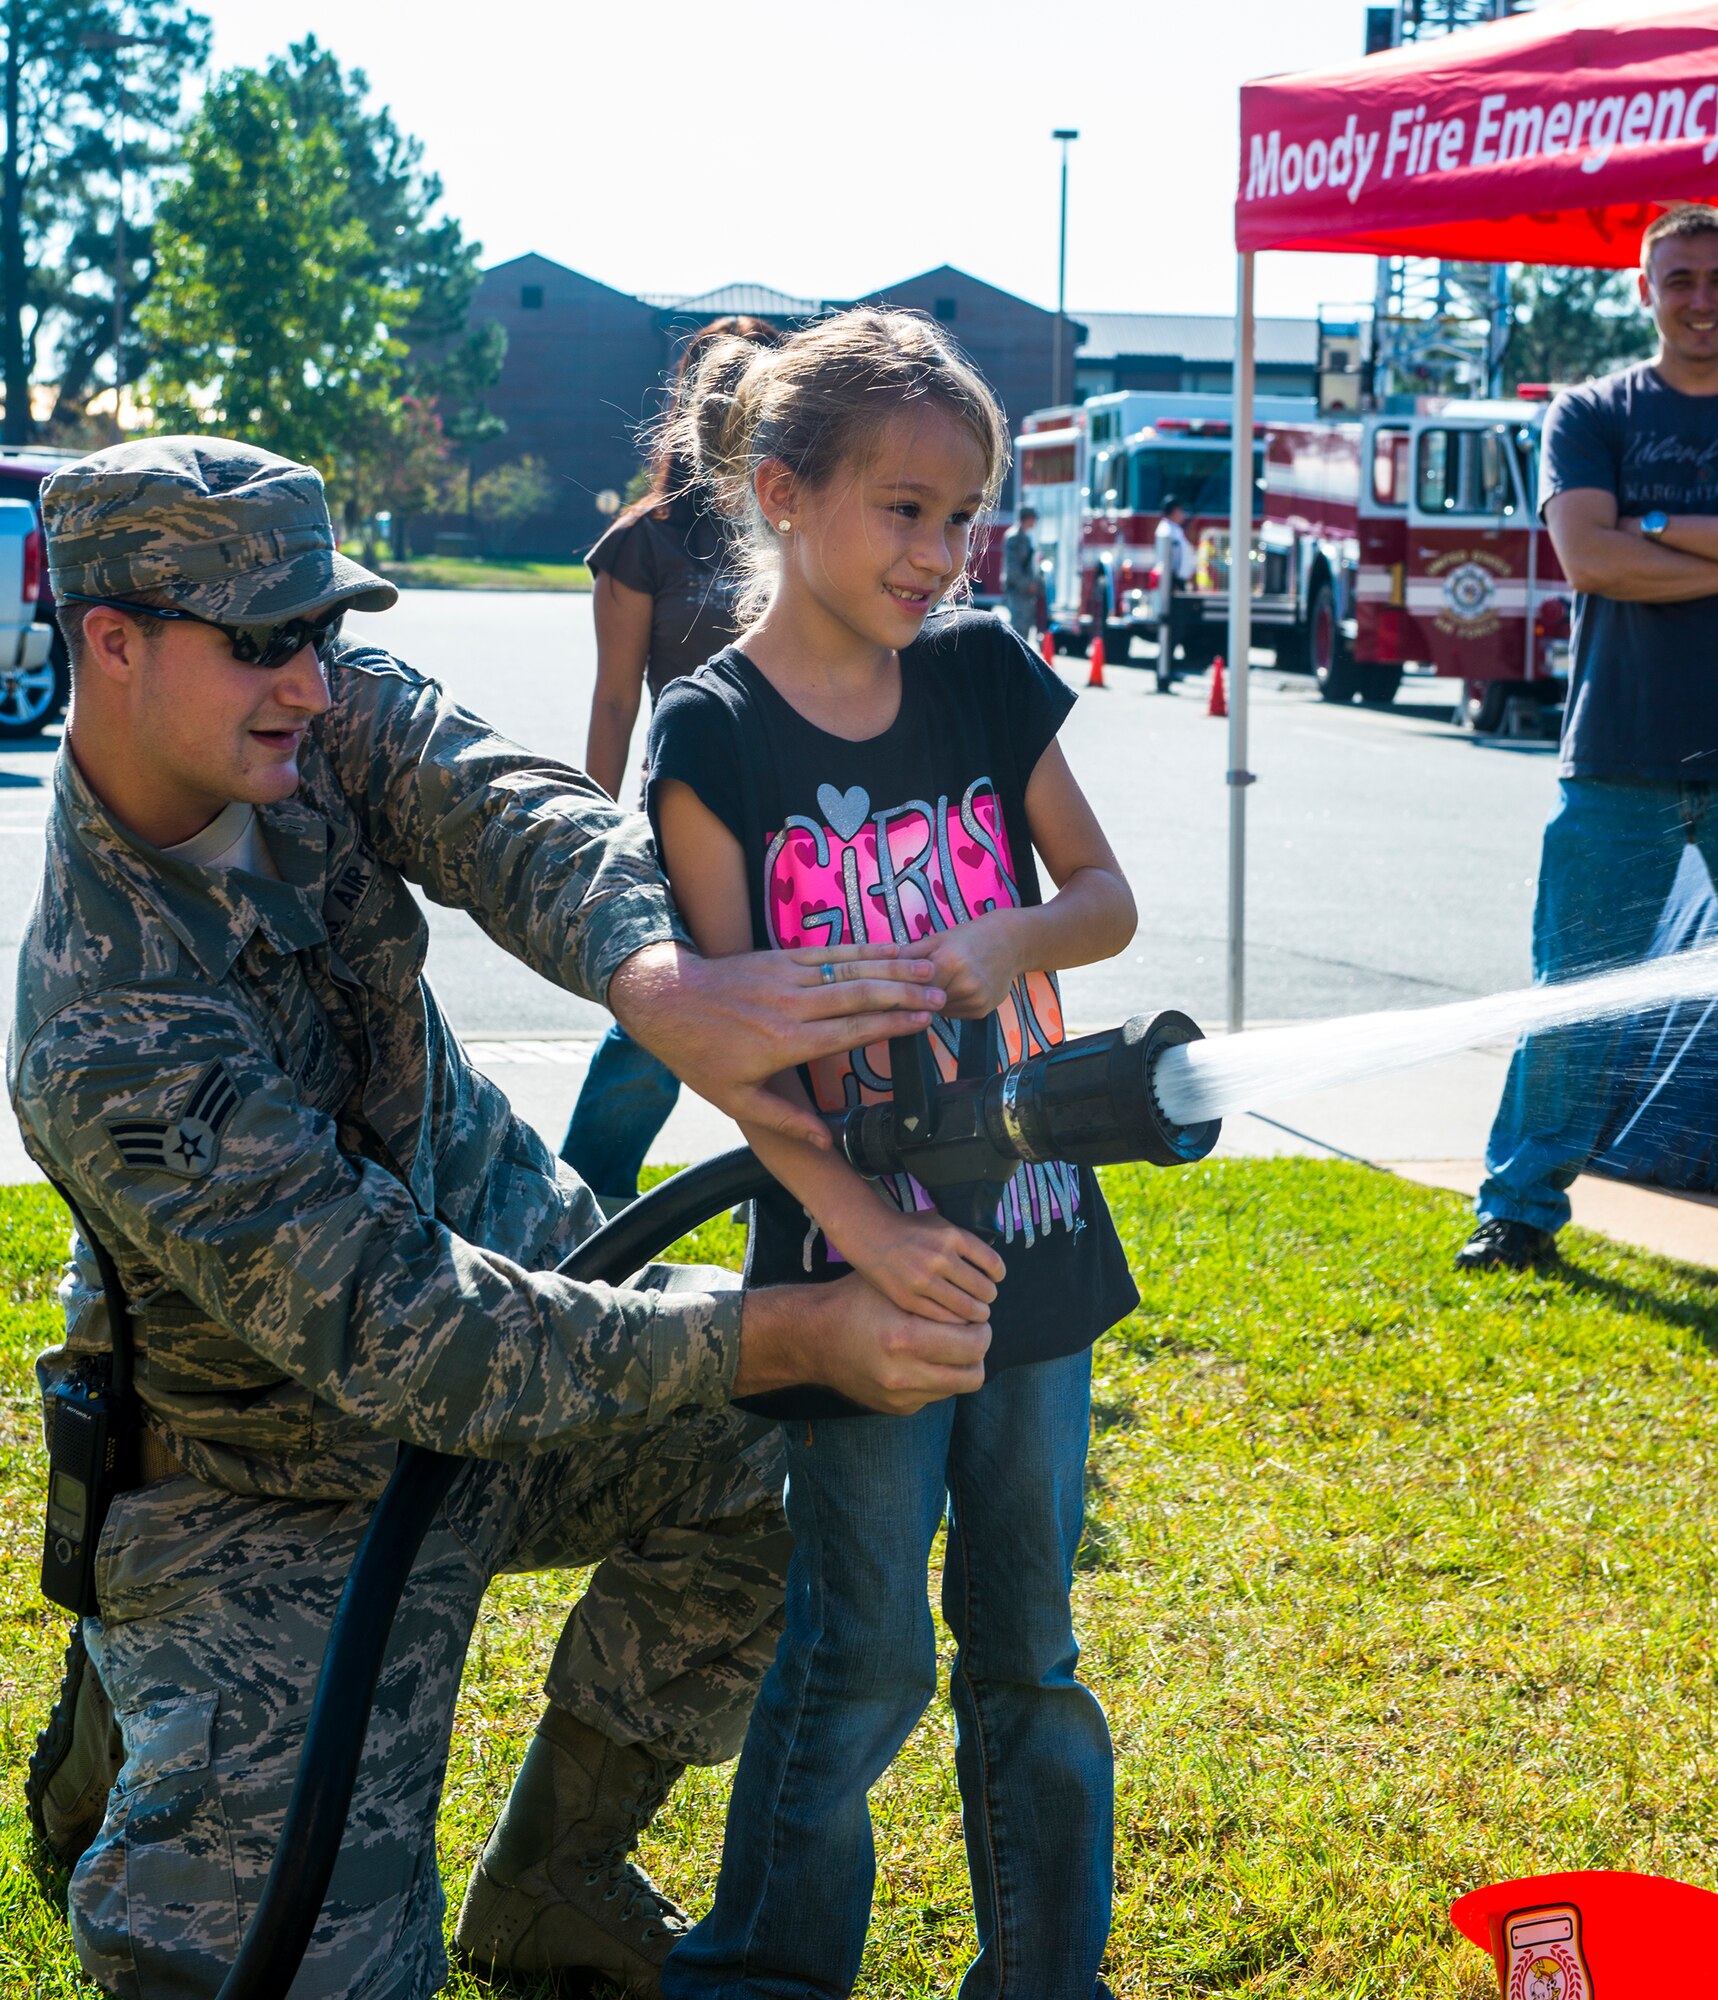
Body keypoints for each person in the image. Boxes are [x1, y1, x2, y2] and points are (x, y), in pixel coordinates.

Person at [13, 435, 992, 2000]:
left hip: (540, 1301)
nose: (313, 684)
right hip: (277, 1481)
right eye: (265, 641)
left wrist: (656, 975)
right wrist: (782, 1326)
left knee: (791, 1462)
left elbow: (518, 812)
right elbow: (412, 1336)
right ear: (110, 639)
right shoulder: (100, 1026)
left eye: (322, 630)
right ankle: (149, 1706)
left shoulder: (317, 714)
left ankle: (557, 1879)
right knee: (269, 1962)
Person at [642, 310, 1140, 1998]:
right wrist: (862, 1231)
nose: (940, 553)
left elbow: (1107, 897)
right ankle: (767, 1972)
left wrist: (1016, 943)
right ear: (783, 493)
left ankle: (1045, 1976)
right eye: (904, 510)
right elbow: (736, 1059)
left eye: (963, 518)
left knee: (1033, 1650)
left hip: (1039, 1244)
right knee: (860, 1657)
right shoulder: (712, 737)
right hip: (851, 1271)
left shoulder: (987, 675)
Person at [1458, 205, 1718, 1300]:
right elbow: (1589, 562)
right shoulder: (1588, 411)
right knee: (1571, 994)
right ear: (1643, 291)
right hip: (1617, 752)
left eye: (1717, 279)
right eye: (1675, 278)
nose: (1697, 298)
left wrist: (1654, 528)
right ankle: (1516, 1213)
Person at [564, 313, 783, 1208]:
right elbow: (615, 697)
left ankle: (819, 1200)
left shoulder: (795, 525)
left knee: (802, 1012)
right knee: (659, 1026)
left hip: (800, 808)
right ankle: (584, 1206)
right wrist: (587, 828)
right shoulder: (640, 543)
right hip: (685, 814)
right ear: (696, 419)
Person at [1152, 494, 1194, 693]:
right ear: (1173, 511)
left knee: (1176, 630)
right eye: (1180, 510)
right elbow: (1169, 560)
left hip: (1176, 583)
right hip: (1172, 584)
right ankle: (1164, 671)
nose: (1183, 514)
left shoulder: (1173, 530)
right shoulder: (1168, 532)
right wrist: (1175, 581)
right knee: (1171, 630)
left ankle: (1167, 669)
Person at [1002, 501, 1043, 644]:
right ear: (1027, 518)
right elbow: (1012, 569)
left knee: (1025, 631)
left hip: (1026, 594)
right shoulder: (1014, 538)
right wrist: (1028, 585)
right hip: (1017, 592)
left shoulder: (1026, 537)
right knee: (1018, 631)